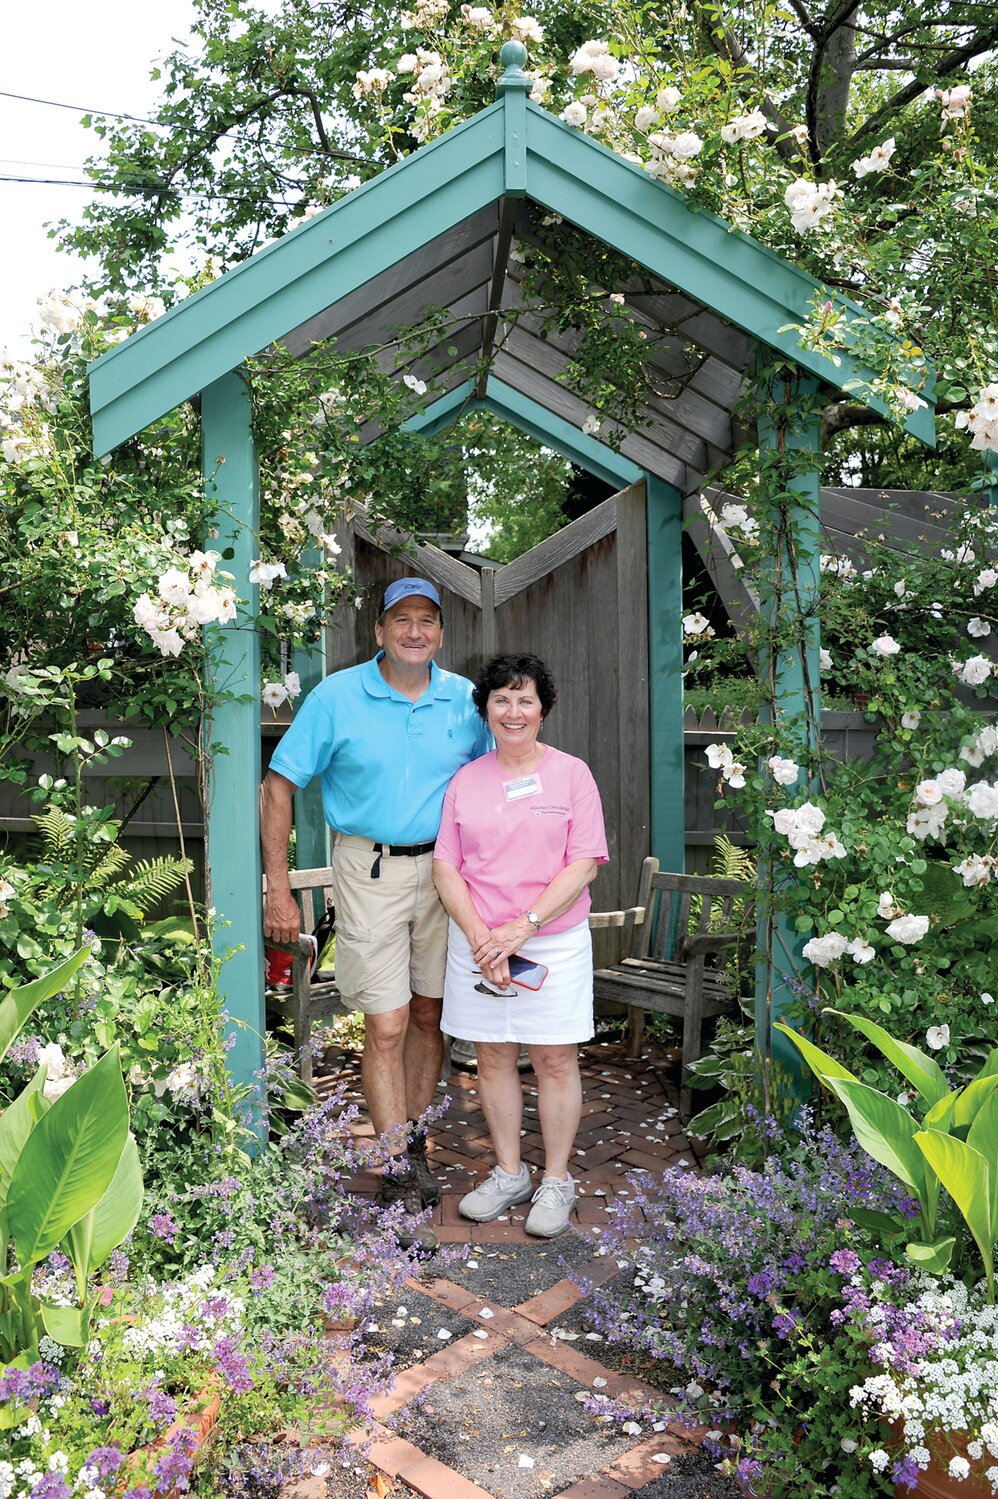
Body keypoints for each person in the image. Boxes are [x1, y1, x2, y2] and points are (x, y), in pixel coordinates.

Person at [261, 578, 490, 1252]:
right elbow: (278, 785)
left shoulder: (464, 701)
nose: (414, 631)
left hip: (446, 874)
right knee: (386, 1022)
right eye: (401, 620)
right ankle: (394, 1165)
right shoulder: (337, 696)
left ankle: (414, 1143)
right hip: (371, 869)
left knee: (429, 1013)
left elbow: (492, 785)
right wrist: (278, 886)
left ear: (441, 633)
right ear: (380, 631)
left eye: (427, 620)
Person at [432, 653, 608, 1237]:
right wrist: (484, 937)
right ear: (485, 710)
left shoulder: (572, 775)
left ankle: (556, 1179)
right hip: (478, 942)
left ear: (543, 709)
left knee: (555, 1058)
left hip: (549, 941)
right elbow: (446, 867)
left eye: (525, 699)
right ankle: (510, 1173)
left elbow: (583, 864)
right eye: (501, 700)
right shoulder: (466, 779)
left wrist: (523, 927)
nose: (513, 711)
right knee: (491, 1055)